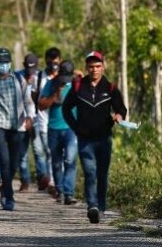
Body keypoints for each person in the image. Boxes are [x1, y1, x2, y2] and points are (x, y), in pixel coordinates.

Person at [62, 51, 127, 224]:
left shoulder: (110, 88)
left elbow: (121, 108)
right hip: (85, 140)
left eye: (98, 66)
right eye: (91, 67)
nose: (94, 70)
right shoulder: (78, 87)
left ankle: (102, 207)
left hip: (104, 138)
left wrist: (119, 116)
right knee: (90, 172)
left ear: (103, 67)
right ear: (86, 68)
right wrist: (76, 127)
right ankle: (92, 206)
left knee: (102, 174)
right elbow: (66, 109)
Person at [0, 47, 36, 211]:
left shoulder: (19, 79)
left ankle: (5, 186)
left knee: (14, 162)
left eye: (7, 62)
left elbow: (28, 100)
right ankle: (9, 197)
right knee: (4, 161)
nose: (4, 65)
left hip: (17, 125)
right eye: (1, 63)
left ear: (10, 63)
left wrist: (30, 116)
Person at [39, 60, 78, 205]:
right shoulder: (51, 84)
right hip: (53, 129)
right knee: (56, 162)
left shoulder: (77, 85)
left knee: (70, 159)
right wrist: (54, 96)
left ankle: (69, 193)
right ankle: (60, 191)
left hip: (71, 129)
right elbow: (41, 105)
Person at [31, 47, 63, 195]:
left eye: (55, 62)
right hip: (41, 121)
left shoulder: (64, 78)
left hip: (57, 122)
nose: (53, 66)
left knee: (52, 153)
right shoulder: (39, 77)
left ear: (60, 61)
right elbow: (34, 97)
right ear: (45, 61)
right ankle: (45, 178)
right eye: (50, 62)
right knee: (39, 151)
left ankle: (54, 183)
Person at [16, 53, 40, 193]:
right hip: (21, 121)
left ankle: (43, 179)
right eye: (28, 70)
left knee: (39, 151)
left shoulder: (40, 78)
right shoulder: (16, 77)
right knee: (22, 153)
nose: (30, 74)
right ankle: (25, 181)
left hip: (38, 120)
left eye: (33, 71)